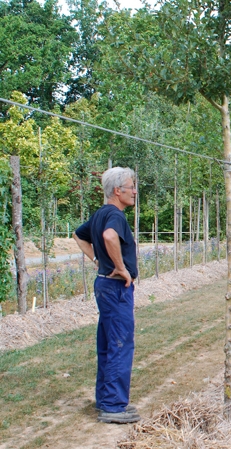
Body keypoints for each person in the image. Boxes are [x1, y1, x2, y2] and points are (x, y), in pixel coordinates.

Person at [73, 167, 140, 424]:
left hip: (103, 286)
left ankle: (105, 399)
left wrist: (97, 259)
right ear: (117, 190)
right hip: (116, 288)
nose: (134, 191)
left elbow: (79, 235)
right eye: (131, 186)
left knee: (108, 343)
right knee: (121, 343)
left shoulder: (100, 213)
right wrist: (121, 268)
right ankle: (113, 406)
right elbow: (109, 236)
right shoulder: (115, 215)